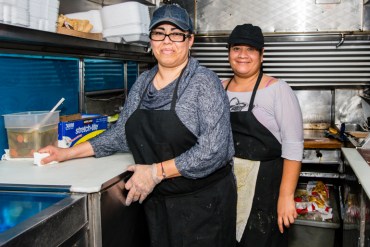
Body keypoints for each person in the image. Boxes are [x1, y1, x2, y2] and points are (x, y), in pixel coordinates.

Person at [39, 4, 236, 247]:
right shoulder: (143, 82)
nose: (167, 41)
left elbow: (214, 150)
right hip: (159, 202)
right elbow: (121, 134)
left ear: (189, 40)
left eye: (176, 34)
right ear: (151, 40)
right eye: (159, 33)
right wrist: (66, 152)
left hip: (203, 205)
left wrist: (155, 172)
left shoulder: (204, 82)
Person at [222, 24, 303, 247]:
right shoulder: (218, 87)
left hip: (265, 188)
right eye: (237, 48)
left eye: (251, 49)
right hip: (225, 184)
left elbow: (293, 146)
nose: (243, 55)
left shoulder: (277, 90)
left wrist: (286, 197)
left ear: (262, 54)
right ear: (229, 52)